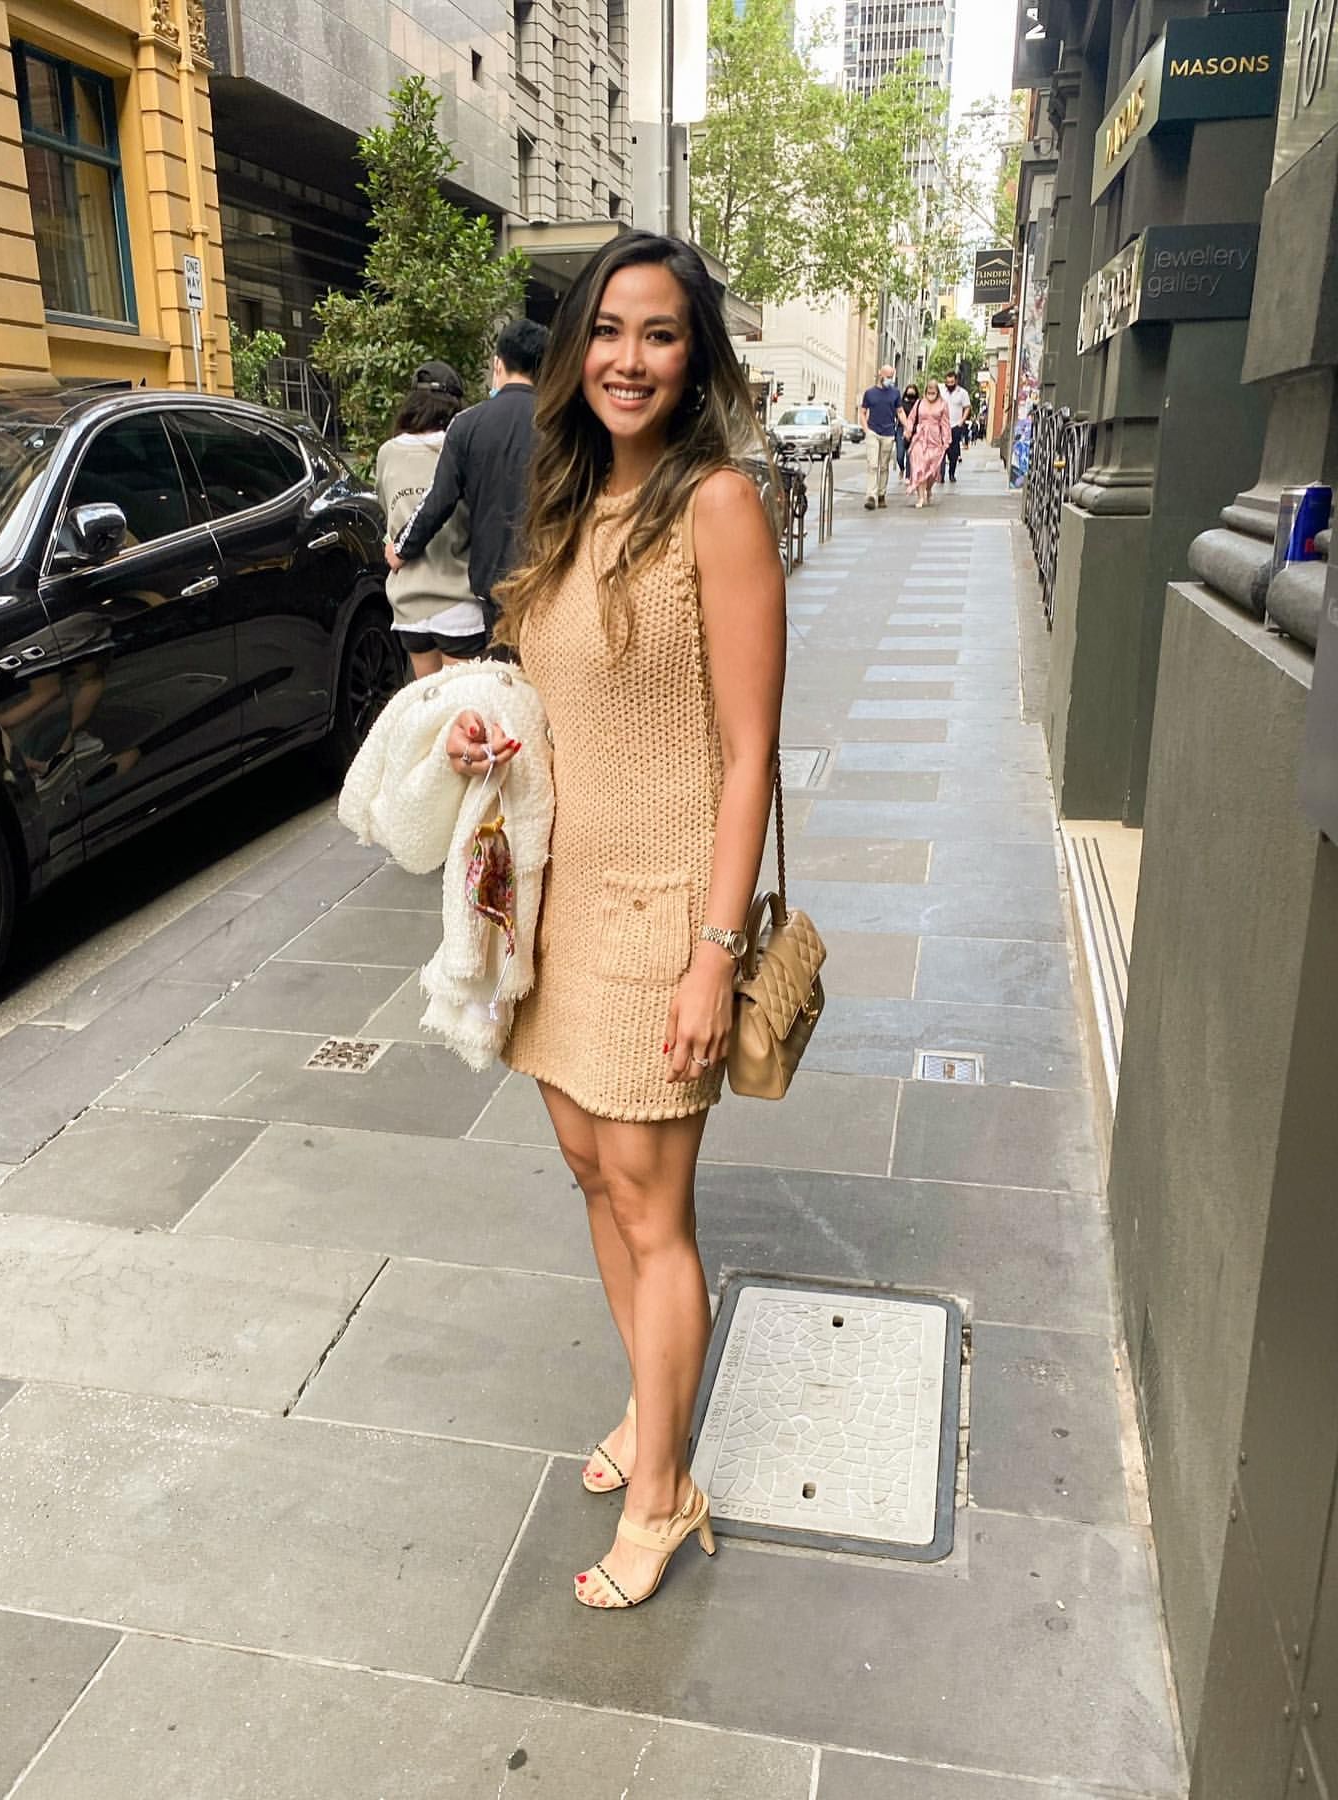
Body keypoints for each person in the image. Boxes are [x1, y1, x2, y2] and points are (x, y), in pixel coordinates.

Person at [445, 231, 785, 1611]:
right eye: (607, 331)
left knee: (653, 1206)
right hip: (563, 908)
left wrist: (716, 951)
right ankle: (652, 1404)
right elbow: (556, 702)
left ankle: (664, 1490)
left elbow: (751, 755)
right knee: (593, 1174)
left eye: (659, 334)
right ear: (575, 349)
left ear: (694, 358)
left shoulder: (719, 506)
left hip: (665, 914)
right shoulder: (567, 501)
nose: (628, 359)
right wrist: (489, 734)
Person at [385, 317, 549, 643]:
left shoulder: (467, 424)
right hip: (548, 580)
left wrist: (401, 549)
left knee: (500, 670)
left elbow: (438, 500)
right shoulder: (559, 423)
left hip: (493, 584)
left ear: (498, 364)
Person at [369, 363, 484, 677]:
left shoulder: (387, 453)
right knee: (463, 703)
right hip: (459, 602)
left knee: (427, 702)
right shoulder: (461, 447)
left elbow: (388, 514)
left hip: (409, 605)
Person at [858, 364, 900, 510]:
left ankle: (881, 494)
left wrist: (907, 425)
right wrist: (866, 430)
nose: (889, 379)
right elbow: (862, 412)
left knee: (884, 466)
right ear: (880, 374)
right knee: (873, 465)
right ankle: (871, 496)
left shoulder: (895, 393)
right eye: (887, 376)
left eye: (891, 377)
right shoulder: (870, 393)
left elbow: (900, 411)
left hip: (888, 433)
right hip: (873, 432)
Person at [905, 378, 951, 509]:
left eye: (933, 392)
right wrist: (908, 431)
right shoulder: (919, 403)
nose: (931, 394)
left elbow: (945, 424)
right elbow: (911, 418)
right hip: (920, 438)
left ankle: (929, 488)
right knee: (919, 467)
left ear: (937, 392)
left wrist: (946, 440)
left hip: (934, 440)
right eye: (929, 392)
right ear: (925, 391)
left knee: (932, 470)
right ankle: (920, 497)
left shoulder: (943, 404)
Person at [939, 369, 971, 484]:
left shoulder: (962, 393)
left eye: (952, 382)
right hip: (943, 426)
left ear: (956, 381)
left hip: (955, 426)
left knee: (953, 453)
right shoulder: (942, 392)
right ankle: (941, 475)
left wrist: (962, 421)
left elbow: (967, 407)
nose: (950, 384)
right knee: (942, 451)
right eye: (948, 382)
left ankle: (951, 473)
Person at [894, 381, 920, 478]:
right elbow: (897, 414)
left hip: (914, 430)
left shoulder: (918, 404)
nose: (911, 395)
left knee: (910, 454)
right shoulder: (901, 403)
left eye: (913, 393)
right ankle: (902, 468)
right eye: (909, 393)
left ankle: (908, 476)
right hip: (901, 429)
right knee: (900, 455)